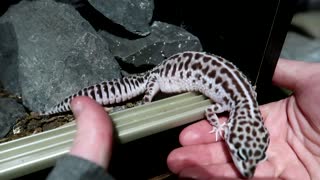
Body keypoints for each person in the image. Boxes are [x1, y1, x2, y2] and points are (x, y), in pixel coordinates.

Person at [47, 58, 320, 179]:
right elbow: (210, 111)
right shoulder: (235, 103)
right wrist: (220, 127)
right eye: (240, 153)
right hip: (159, 77)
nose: (244, 167)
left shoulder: (246, 101)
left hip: (183, 74)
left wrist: (224, 128)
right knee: (142, 92)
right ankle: (58, 107)